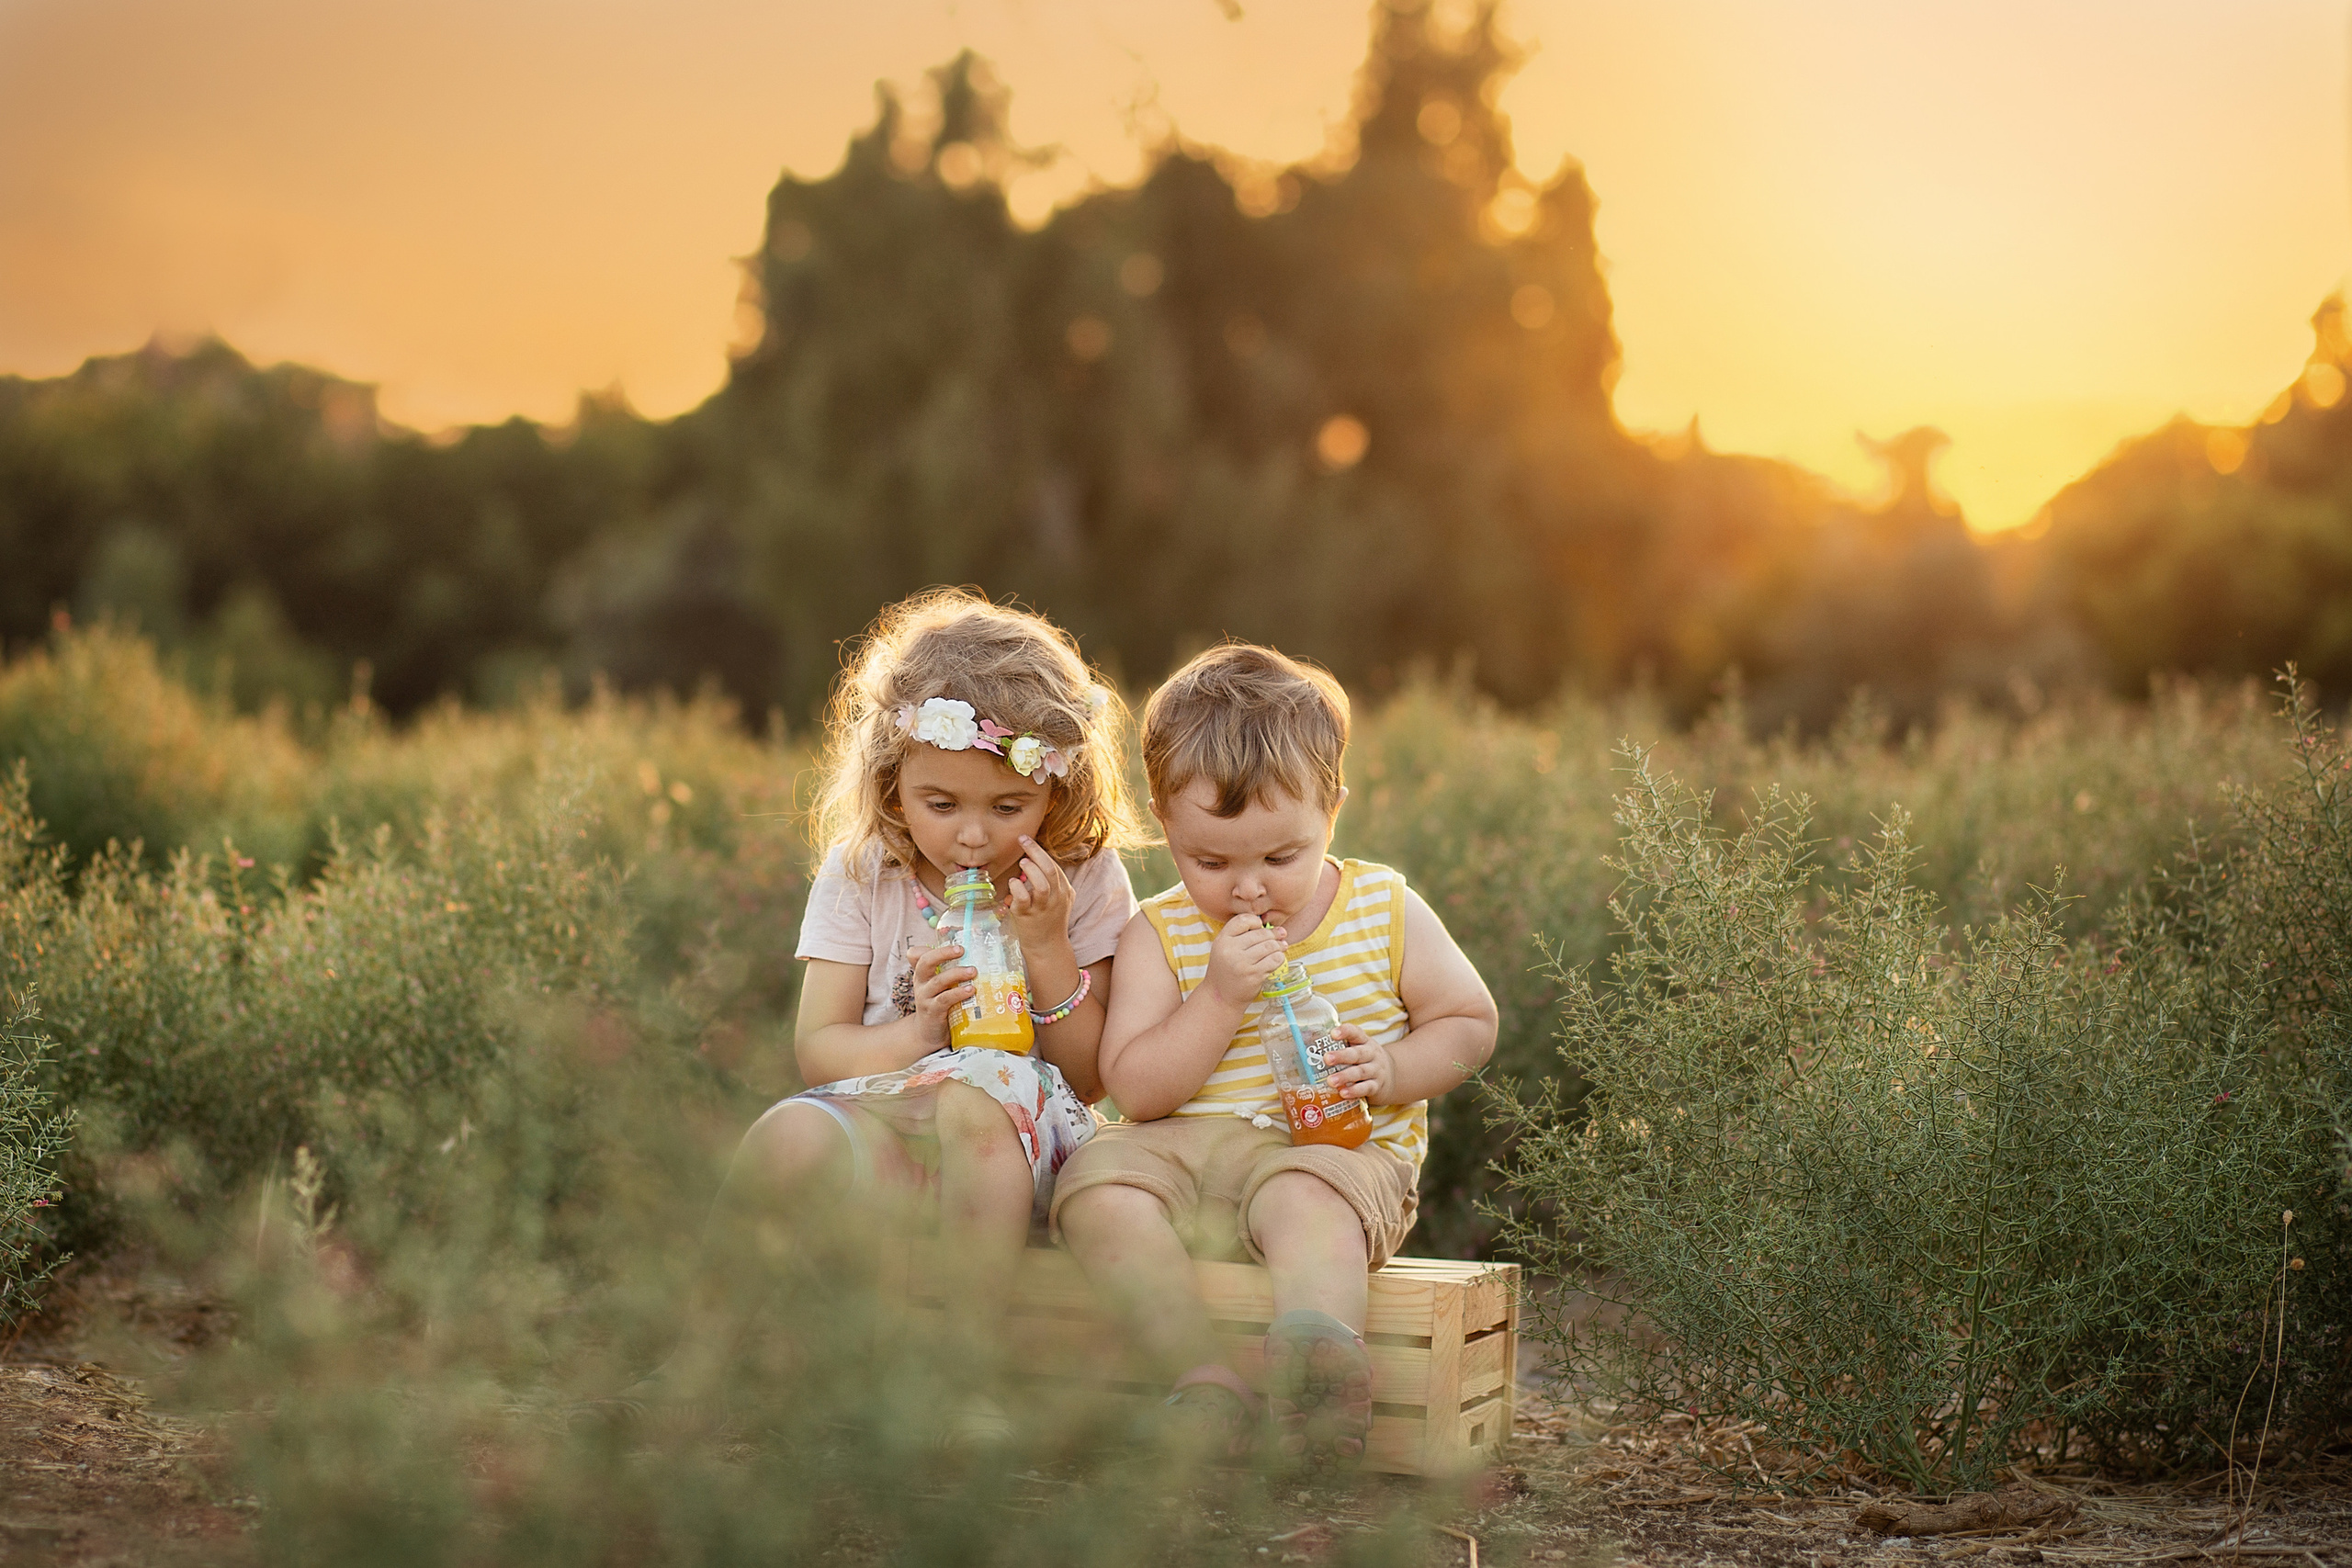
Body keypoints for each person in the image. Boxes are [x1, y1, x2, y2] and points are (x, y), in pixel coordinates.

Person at [676, 589, 1142, 1447]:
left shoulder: (1081, 875)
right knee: (786, 1133)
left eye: (1008, 808)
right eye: (942, 804)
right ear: (892, 782)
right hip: (896, 1123)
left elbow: (1092, 1073)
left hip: (1026, 1142)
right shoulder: (864, 873)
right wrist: (922, 1031)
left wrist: (1045, 948)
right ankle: (702, 1358)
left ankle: (958, 1374)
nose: (973, 836)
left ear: (1055, 789)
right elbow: (821, 1051)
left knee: (975, 1099)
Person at [1051, 644, 1498, 1472]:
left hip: (1333, 1150)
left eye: (1280, 858)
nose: (1247, 889)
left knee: (1302, 1195)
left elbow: (1470, 1020)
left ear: (1333, 807)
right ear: (1165, 820)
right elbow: (1137, 1091)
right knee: (1096, 1189)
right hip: (1185, 1153)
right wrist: (1218, 997)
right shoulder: (1161, 931)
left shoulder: (1381, 906)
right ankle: (1202, 1378)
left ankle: (1315, 1363)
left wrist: (1395, 1069)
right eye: (1211, 862)